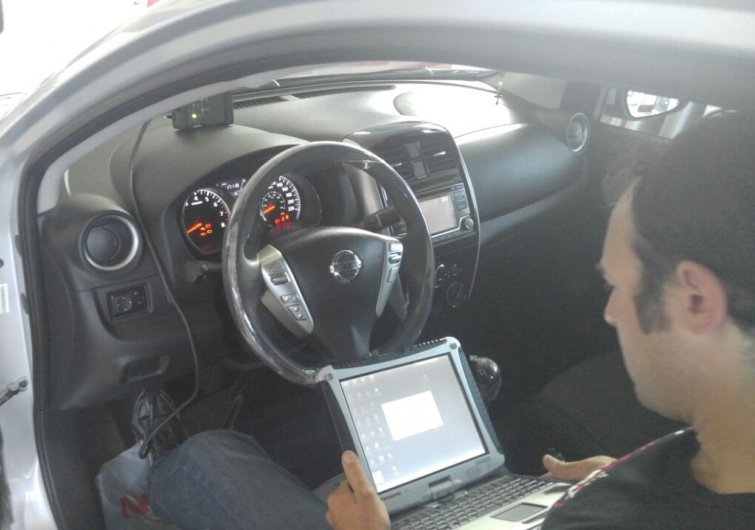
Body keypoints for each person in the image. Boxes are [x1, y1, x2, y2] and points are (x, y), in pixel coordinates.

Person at [147, 112, 755, 529]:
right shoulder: (695, 470)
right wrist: (624, 480)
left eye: (616, 286)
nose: (610, 311)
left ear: (696, 300)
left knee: (205, 458)